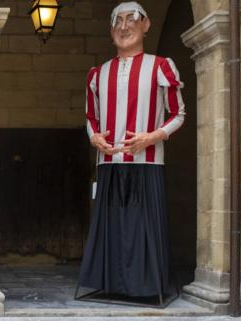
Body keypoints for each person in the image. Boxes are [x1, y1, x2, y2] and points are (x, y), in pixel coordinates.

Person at [77, 2, 185, 300]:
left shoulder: (161, 66)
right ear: (111, 31)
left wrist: (152, 137)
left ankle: (147, 287)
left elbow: (178, 114)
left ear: (146, 25)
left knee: (144, 223)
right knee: (110, 224)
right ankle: (111, 284)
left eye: (131, 20)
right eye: (118, 22)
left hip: (148, 162)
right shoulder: (98, 74)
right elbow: (91, 117)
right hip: (108, 161)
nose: (124, 27)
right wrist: (94, 137)